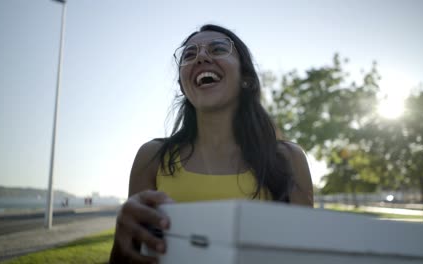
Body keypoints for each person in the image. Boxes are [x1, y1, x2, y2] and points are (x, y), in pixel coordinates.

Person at [109, 24, 313, 263]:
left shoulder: (288, 158)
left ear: (246, 78)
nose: (201, 57)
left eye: (217, 49)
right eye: (189, 54)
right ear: (183, 86)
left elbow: (307, 256)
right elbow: (128, 256)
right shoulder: (151, 157)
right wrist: (122, 241)